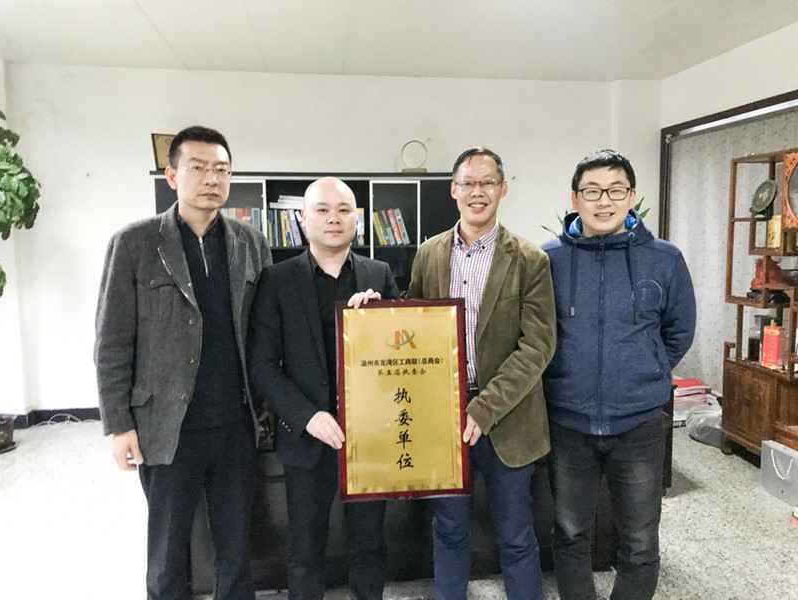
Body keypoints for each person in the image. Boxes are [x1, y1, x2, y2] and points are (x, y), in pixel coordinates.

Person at [94, 125, 271, 600]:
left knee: (236, 546)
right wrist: (118, 425)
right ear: (172, 176)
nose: (212, 179)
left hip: (236, 423)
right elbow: (112, 340)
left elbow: (264, 329)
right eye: (198, 167)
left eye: (222, 170)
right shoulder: (134, 243)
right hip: (166, 426)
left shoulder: (251, 242)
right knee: (168, 551)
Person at [542, 149, 696, 600]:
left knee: (640, 540)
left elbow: (679, 331)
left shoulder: (664, 259)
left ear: (631, 196)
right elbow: (535, 332)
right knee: (570, 532)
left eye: (615, 190)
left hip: (639, 424)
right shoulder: (547, 260)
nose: (604, 201)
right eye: (592, 191)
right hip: (568, 422)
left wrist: (644, 371)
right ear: (575, 198)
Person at [407, 147, 556, 600]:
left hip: (509, 418)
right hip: (443, 418)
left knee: (516, 533)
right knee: (449, 528)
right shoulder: (428, 254)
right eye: (468, 183)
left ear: (503, 189)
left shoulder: (530, 260)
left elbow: (538, 345)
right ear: (453, 190)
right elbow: (414, 324)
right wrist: (373, 310)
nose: (478, 192)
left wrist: (484, 407)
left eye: (487, 182)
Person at [246, 177, 398, 600]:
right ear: (302, 219)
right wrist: (307, 416)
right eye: (323, 210)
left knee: (369, 544)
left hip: (369, 439)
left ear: (356, 219)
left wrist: (381, 321)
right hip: (307, 437)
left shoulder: (379, 274)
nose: (334, 218)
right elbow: (262, 365)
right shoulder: (276, 279)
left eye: (344, 210)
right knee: (305, 548)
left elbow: (403, 354)